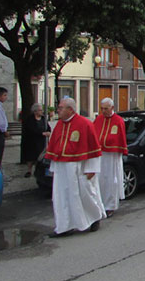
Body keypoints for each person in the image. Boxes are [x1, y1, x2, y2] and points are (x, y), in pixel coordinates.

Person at [45, 97, 105, 237]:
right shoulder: (59, 125)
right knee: (61, 198)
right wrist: (54, 168)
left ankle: (95, 217)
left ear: (70, 109)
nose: (58, 110)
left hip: (79, 167)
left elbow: (94, 149)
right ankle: (64, 226)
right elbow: (55, 147)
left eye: (60, 108)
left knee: (84, 196)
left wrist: (92, 169)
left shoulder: (85, 124)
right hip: (62, 169)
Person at [93, 98, 128, 217]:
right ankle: (100, 203)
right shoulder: (98, 119)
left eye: (106, 108)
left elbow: (120, 137)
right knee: (100, 180)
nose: (103, 111)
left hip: (112, 155)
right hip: (99, 155)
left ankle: (110, 205)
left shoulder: (118, 120)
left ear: (112, 108)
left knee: (110, 180)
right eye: (102, 108)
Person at [21, 103, 51, 177]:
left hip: (41, 141)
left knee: (40, 156)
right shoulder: (30, 119)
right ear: (35, 111)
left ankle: (38, 170)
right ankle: (29, 170)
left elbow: (48, 127)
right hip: (31, 141)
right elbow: (30, 130)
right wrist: (42, 133)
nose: (42, 112)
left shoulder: (43, 118)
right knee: (30, 157)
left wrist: (48, 132)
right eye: (40, 110)